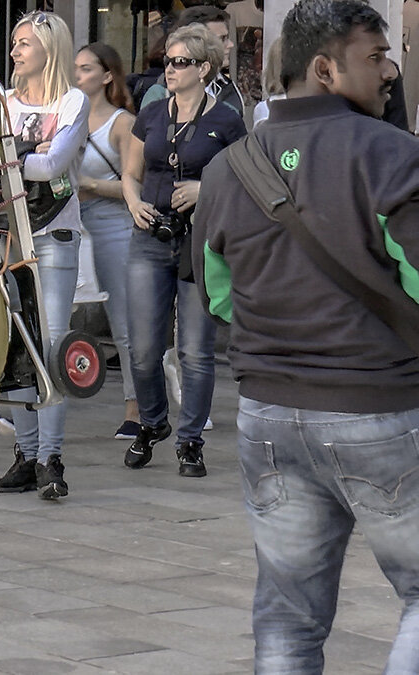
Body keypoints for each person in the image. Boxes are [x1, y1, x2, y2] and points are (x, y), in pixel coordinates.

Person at [194, 1, 419, 670]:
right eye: (375, 56)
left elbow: (219, 296)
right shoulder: (394, 156)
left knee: (288, 615)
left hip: (267, 417)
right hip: (381, 411)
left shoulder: (225, 168)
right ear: (325, 68)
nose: (390, 70)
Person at [120, 23, 245, 478]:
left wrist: (202, 188)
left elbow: (243, 180)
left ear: (204, 68)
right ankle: (152, 424)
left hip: (199, 241)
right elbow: (130, 171)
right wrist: (133, 203)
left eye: (180, 62)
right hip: (149, 237)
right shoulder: (152, 113)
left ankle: (190, 440)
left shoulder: (226, 121)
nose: (169, 70)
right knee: (143, 348)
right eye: (167, 61)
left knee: (196, 350)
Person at [0, 11, 89, 500]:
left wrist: (15, 156)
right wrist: (29, 154)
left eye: (24, 43)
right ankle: (26, 456)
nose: (14, 52)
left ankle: (51, 457)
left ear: (49, 49)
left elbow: (54, 164)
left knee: (50, 348)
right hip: (7, 235)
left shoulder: (74, 100)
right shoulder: (1, 103)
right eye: (13, 43)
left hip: (54, 236)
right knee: (13, 344)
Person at [74, 42, 140, 440]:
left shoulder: (122, 123)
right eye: (75, 68)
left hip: (113, 227)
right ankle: (35, 399)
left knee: (124, 323)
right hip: (71, 225)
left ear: (107, 75)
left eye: (85, 68)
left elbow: (137, 188)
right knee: (51, 319)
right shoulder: (65, 119)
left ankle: (137, 407)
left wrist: (91, 184)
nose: (77, 75)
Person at [141, 5, 245, 115]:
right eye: (222, 39)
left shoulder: (229, 88)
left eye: (227, 38)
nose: (230, 45)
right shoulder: (161, 93)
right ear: (194, 42)